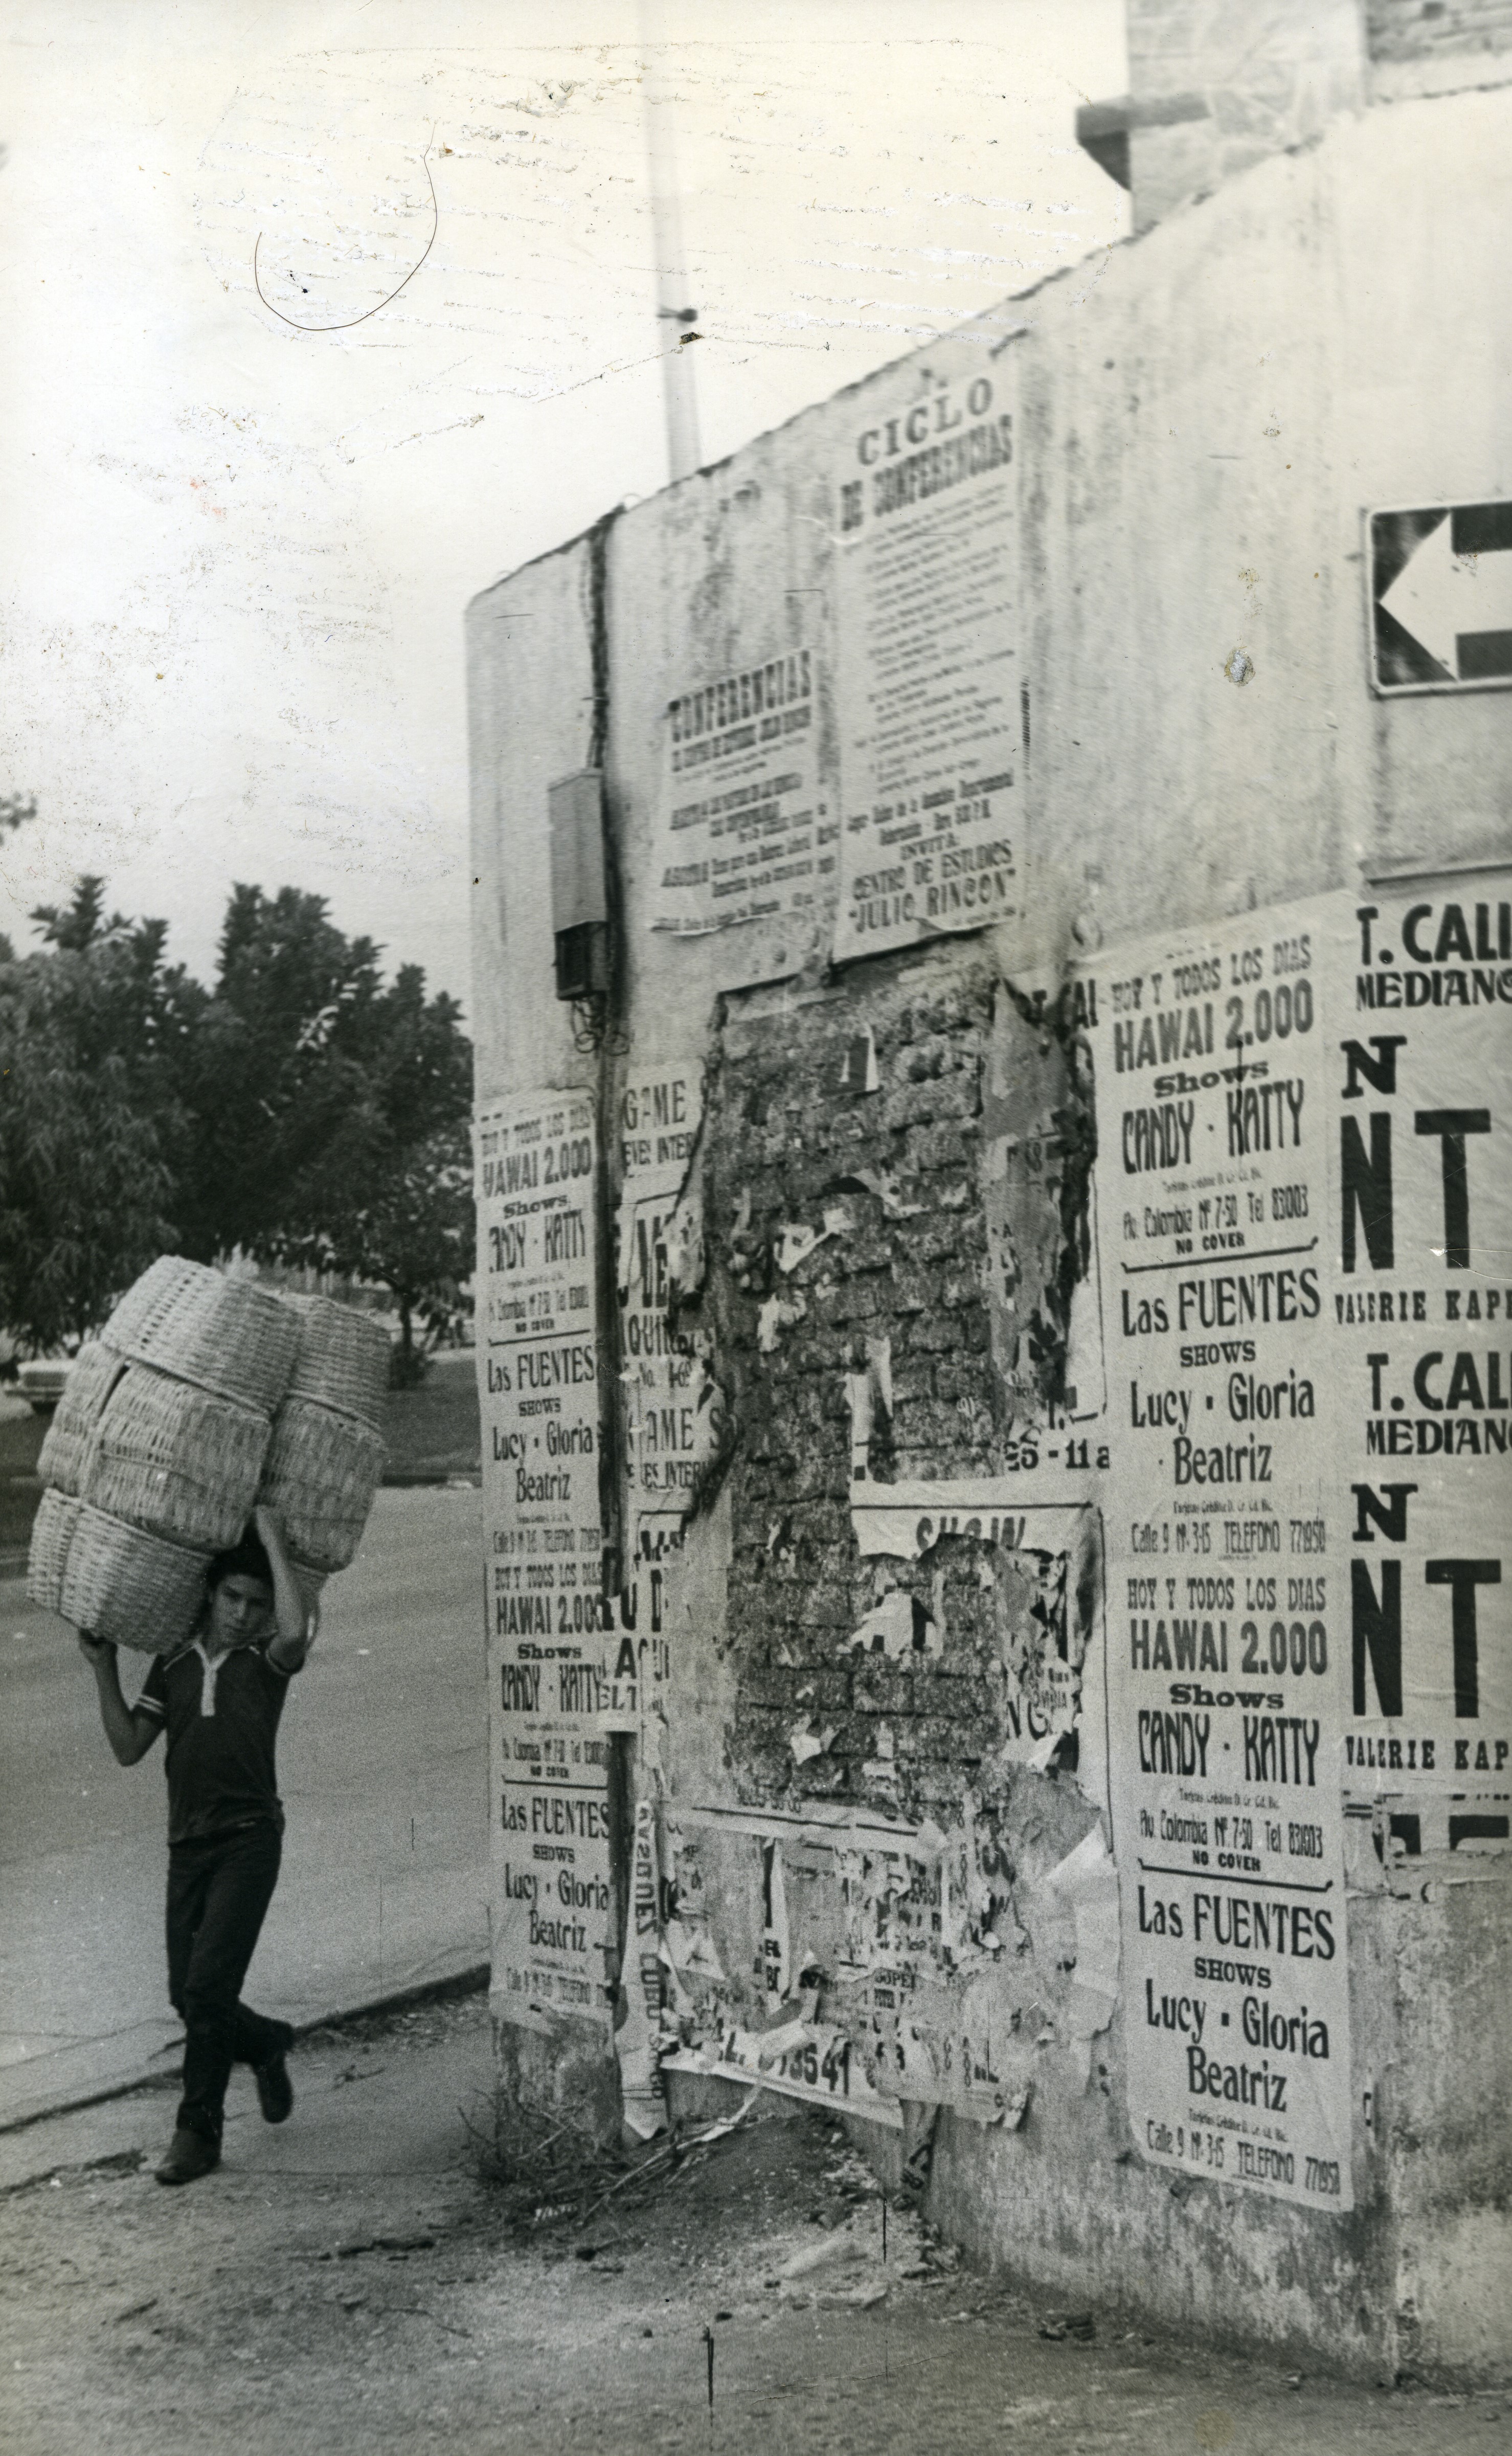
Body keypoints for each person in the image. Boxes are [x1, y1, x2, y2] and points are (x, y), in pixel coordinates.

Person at [77, 1502, 317, 2185]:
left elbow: (295, 1630)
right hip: (187, 1846)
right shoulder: (175, 1663)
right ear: (210, 1596)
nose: (242, 1614)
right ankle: (265, 2043)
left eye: (256, 1604)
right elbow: (129, 1747)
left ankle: (198, 2132)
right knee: (188, 1997)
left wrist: (270, 1535)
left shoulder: (266, 1660)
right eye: (232, 1597)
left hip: (248, 1842)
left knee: (209, 1987)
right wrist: (103, 1667)